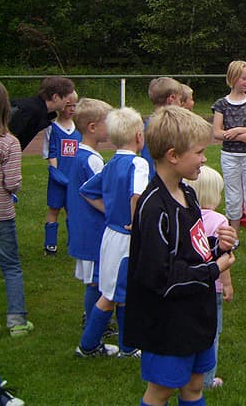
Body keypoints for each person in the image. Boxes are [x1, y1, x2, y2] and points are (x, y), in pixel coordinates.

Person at [125, 106, 237, 406]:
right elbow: (160, 277)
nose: (204, 159)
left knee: (194, 386)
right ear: (173, 155)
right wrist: (214, 270)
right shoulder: (153, 209)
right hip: (167, 323)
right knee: (160, 391)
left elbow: (192, 251)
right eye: (199, 152)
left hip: (196, 314)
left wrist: (217, 246)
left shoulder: (188, 195)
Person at [77, 107, 149, 358]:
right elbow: (137, 195)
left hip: (110, 235)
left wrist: (109, 211)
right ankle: (91, 346)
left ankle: (123, 346)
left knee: (117, 291)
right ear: (139, 136)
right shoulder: (138, 163)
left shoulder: (111, 163)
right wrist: (135, 222)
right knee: (114, 294)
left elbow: (86, 190)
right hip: (126, 239)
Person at [184, 165, 233, 391]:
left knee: (189, 328)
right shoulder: (219, 221)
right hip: (211, 286)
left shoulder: (184, 217)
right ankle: (207, 378)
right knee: (212, 333)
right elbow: (224, 256)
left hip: (189, 283)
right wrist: (227, 284)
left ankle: (185, 371)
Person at [66, 98, 112, 339]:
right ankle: (94, 327)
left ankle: (97, 320)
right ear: (93, 127)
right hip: (92, 229)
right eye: (108, 122)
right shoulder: (91, 159)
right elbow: (96, 192)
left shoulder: (81, 154)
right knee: (96, 281)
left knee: (96, 279)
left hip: (84, 226)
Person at [212, 60, 246, 249]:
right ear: (233, 78)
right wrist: (240, 136)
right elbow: (217, 132)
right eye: (244, 78)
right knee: (233, 196)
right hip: (230, 156)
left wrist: (236, 131)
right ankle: (233, 237)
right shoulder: (221, 104)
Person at [0, 82, 32, 338]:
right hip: (2, 214)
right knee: (11, 266)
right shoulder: (9, 143)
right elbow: (12, 183)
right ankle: (16, 320)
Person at [42, 89, 80, 255]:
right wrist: (57, 174)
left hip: (75, 178)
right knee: (54, 209)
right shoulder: (52, 128)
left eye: (74, 105)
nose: (71, 109)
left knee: (73, 210)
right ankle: (50, 245)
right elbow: (51, 154)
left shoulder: (79, 128)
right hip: (59, 178)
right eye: (68, 105)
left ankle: (74, 243)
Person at [9, 76, 74, 151]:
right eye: (67, 97)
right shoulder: (26, 111)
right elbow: (5, 139)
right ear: (55, 97)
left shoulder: (42, 114)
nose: (68, 101)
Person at [140, 77, 183, 179]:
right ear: (171, 99)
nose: (181, 104)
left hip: (149, 178)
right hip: (166, 180)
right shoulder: (169, 126)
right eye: (180, 100)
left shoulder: (147, 123)